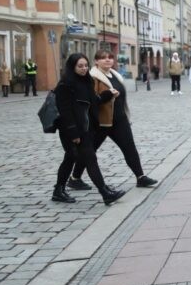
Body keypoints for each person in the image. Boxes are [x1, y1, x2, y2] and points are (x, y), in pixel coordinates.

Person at [69, 50, 159, 191]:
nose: (107, 60)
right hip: (100, 122)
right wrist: (108, 95)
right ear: (96, 61)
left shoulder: (115, 75)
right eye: (103, 58)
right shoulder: (93, 77)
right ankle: (75, 178)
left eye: (110, 57)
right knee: (89, 151)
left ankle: (140, 177)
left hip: (119, 119)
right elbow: (91, 100)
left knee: (130, 148)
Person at [52, 53, 125, 205]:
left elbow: (94, 101)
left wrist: (107, 95)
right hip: (71, 130)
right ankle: (105, 192)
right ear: (72, 67)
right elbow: (65, 111)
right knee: (89, 159)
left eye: (86, 65)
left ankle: (58, 191)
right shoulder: (65, 84)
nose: (84, 68)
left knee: (70, 159)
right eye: (80, 66)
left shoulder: (87, 81)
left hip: (85, 128)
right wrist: (73, 133)